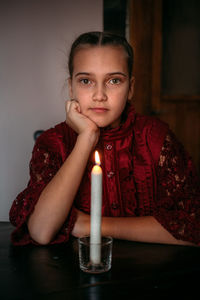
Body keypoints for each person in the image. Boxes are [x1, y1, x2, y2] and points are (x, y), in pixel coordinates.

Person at [9, 31, 200, 246]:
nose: (99, 95)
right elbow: (41, 231)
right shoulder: (53, 143)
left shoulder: (156, 138)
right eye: (86, 81)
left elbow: (193, 228)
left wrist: (90, 225)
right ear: (71, 86)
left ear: (131, 88)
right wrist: (87, 137)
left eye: (114, 80)